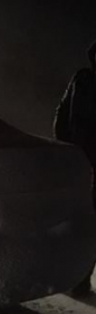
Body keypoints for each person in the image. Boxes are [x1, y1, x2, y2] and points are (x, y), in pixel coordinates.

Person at [54, 40, 96, 297]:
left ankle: (81, 278)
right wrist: (64, 145)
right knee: (76, 218)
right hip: (79, 158)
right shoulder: (83, 79)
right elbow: (62, 112)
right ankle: (70, 275)